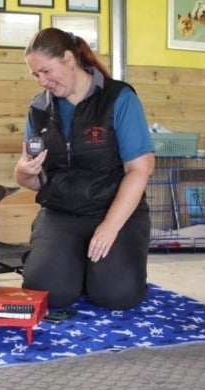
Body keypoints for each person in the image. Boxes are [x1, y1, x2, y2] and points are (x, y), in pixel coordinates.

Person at [14, 28, 155, 310]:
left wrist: (109, 227)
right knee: (48, 295)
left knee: (116, 296)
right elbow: (33, 182)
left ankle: (100, 269)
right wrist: (23, 171)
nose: (42, 81)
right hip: (61, 213)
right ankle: (73, 264)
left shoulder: (119, 98)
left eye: (45, 71)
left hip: (113, 211)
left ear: (68, 58)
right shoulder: (39, 108)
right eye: (35, 75)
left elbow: (140, 169)